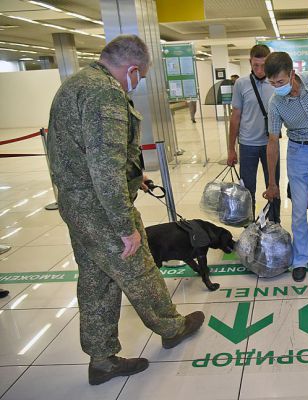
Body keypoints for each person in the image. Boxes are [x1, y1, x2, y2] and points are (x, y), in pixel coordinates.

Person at [47, 35, 204, 386]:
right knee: (140, 271)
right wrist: (124, 225)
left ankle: (101, 359)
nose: (137, 83)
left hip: (76, 204)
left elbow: (86, 152)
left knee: (96, 280)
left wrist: (136, 175)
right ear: (132, 69)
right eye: (140, 76)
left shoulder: (76, 84)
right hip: (101, 211)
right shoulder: (105, 94)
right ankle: (172, 327)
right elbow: (104, 169)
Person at [262, 52, 308, 283]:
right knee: (299, 209)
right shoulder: (275, 103)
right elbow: (273, 140)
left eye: (281, 82)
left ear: (292, 74)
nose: (277, 87)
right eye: (272, 83)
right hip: (298, 152)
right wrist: (272, 182)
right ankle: (301, 258)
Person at [227, 44, 280, 221]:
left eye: (263, 65)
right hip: (247, 144)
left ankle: (274, 223)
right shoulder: (241, 84)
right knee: (247, 189)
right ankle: (248, 226)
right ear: (250, 62)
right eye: (255, 65)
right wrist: (231, 149)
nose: (259, 69)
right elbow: (235, 117)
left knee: (273, 185)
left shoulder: (276, 83)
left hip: (270, 144)